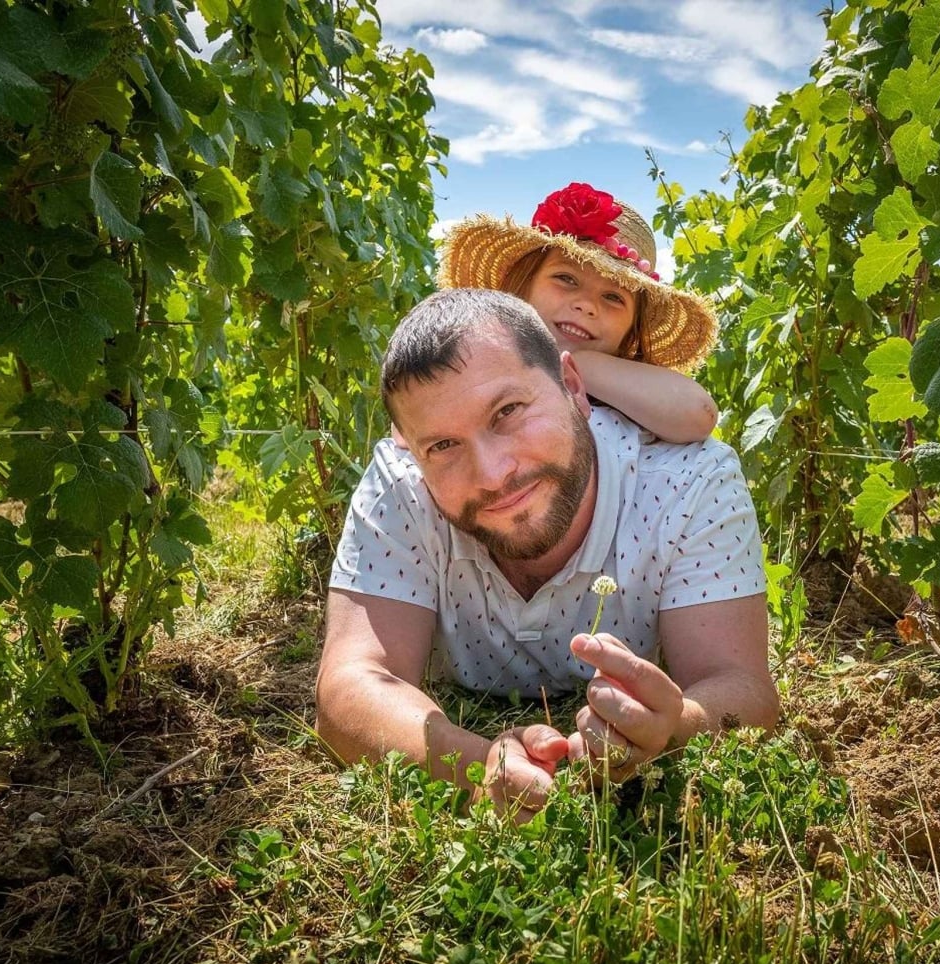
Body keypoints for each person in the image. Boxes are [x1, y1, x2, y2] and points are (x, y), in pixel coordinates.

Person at [314, 288, 779, 821]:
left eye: (508, 411)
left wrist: (675, 728)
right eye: (442, 446)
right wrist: (476, 763)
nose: (493, 474)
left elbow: (742, 686)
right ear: (410, 450)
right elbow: (351, 686)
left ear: (574, 386)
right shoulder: (400, 486)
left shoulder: (690, 481)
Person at [437, 181, 719, 444]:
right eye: (566, 279)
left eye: (613, 297)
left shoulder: (629, 400)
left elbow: (700, 413)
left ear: (631, 333)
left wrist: (579, 364)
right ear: (523, 286)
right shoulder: (472, 361)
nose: (586, 305)